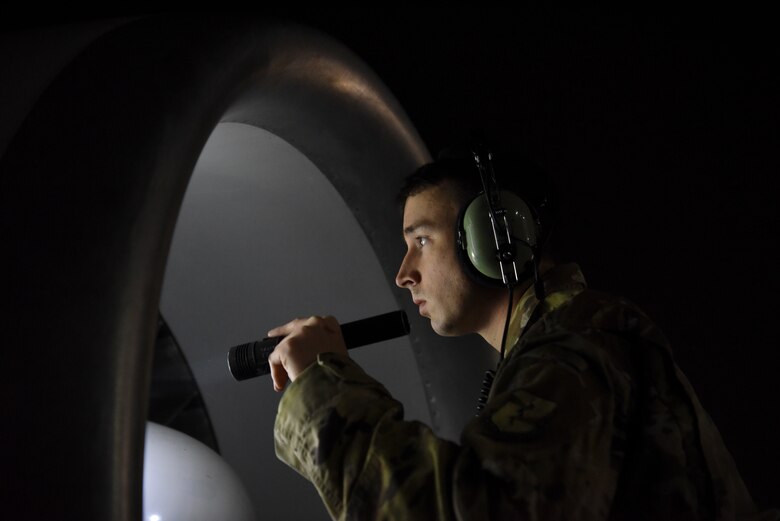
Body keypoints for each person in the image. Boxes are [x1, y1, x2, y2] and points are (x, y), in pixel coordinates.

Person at [267, 144, 776, 520]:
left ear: (496, 240)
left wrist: (323, 386)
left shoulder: (578, 346)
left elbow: (470, 509)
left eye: (422, 240)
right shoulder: (576, 338)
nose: (404, 273)